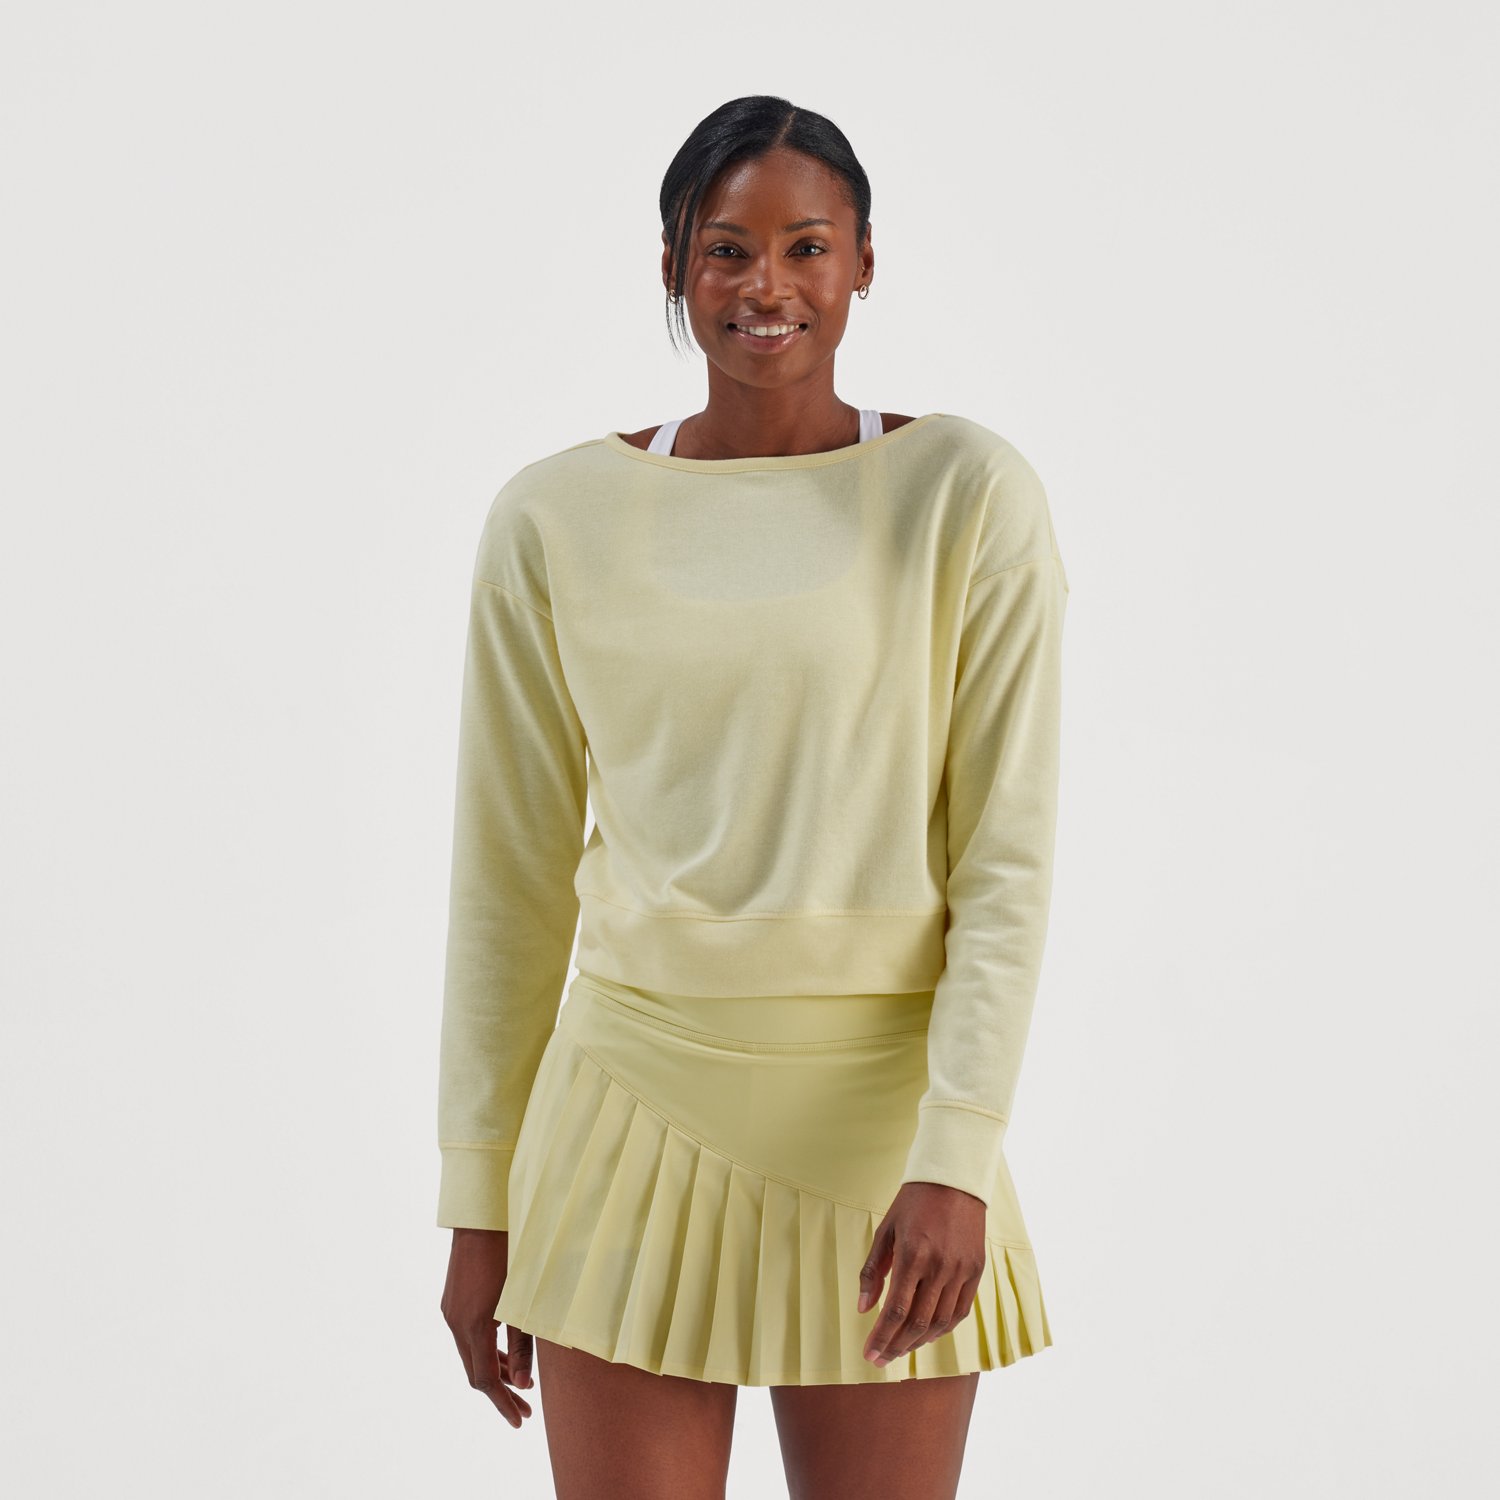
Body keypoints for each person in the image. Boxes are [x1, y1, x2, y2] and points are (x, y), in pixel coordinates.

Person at [436, 94, 1070, 1500]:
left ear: (863, 263)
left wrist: (960, 1153)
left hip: (885, 1133)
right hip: (623, 1114)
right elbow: (509, 879)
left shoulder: (965, 494)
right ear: (674, 264)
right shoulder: (554, 517)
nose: (765, 285)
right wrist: (477, 1199)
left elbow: (1006, 861)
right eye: (726, 249)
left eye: (806, 246)